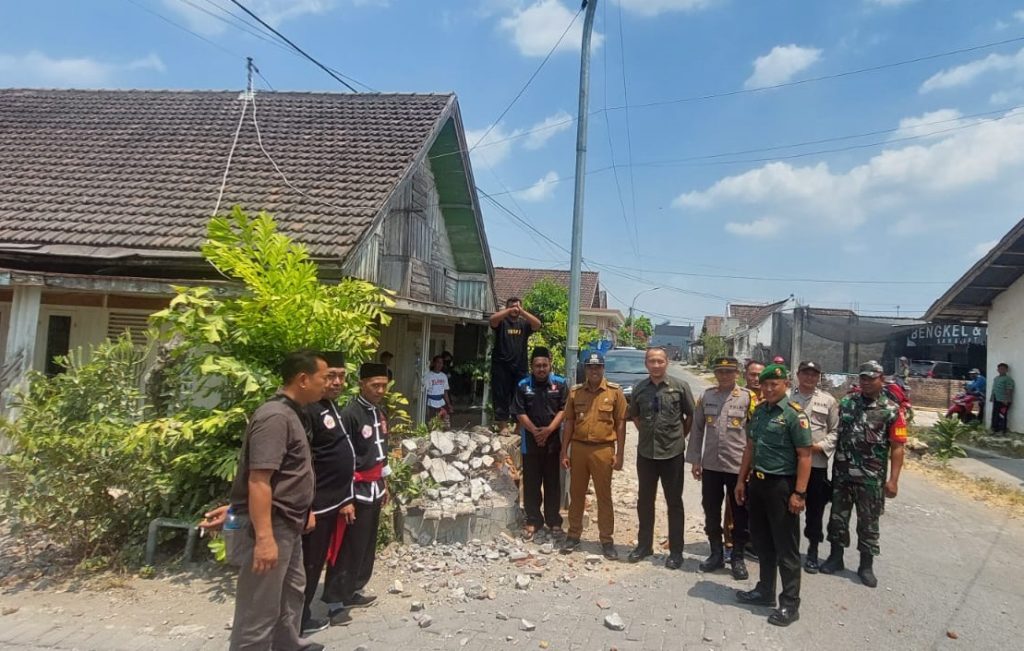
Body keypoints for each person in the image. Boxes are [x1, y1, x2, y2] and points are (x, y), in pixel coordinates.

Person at [227, 350, 329, 651]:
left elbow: (287, 474)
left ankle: (288, 644)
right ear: (303, 379)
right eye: (323, 377)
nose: (327, 384)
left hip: (290, 523)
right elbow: (258, 480)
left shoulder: (293, 413)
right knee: (259, 606)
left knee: (292, 591)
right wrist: (264, 538)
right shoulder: (274, 417)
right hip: (273, 524)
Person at [735, 363, 812, 627]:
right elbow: (750, 447)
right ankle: (764, 591)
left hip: (783, 487)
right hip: (757, 484)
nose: (768, 388)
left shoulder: (794, 415)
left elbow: (805, 456)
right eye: (765, 384)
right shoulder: (759, 412)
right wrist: (741, 480)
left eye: (774, 384)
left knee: (786, 549)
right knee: (762, 542)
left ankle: (790, 604)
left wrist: (799, 493)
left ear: (785, 385)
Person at [820, 361, 906, 588]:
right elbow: (834, 435)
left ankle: (865, 566)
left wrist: (893, 481)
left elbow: (897, 447)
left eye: (871, 378)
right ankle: (835, 557)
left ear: (882, 379)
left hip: (871, 479)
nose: (866, 382)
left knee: (868, 524)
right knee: (838, 519)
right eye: (863, 378)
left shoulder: (892, 410)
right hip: (843, 475)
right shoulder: (847, 403)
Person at [321, 362, 391, 624]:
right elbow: (343, 459)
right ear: (362, 384)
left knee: (365, 544)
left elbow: (381, 452)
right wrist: (345, 498)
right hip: (355, 490)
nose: (380, 390)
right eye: (375, 385)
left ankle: (354, 589)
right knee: (347, 546)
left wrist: (386, 486)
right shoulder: (350, 413)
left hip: (374, 487)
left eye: (384, 385)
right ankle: (335, 601)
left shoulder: (379, 412)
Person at [300, 352, 357, 636]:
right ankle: (297, 619)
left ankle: (302, 614)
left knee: (321, 559)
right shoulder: (308, 410)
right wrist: (307, 506)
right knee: (308, 565)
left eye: (341, 377)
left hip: (335, 501)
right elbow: (305, 460)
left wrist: (346, 498)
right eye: (330, 376)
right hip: (317, 505)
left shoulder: (332, 406)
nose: (336, 382)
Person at [687, 356, 756, 580]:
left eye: (729, 371)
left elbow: (755, 434)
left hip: (738, 467)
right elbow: (697, 430)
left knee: (740, 513)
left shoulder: (748, 398)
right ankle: (716, 553)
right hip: (711, 465)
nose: (724, 375)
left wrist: (752, 466)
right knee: (711, 509)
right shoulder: (706, 396)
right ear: (715, 373)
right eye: (720, 371)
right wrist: (696, 460)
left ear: (737, 374)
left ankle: (737, 557)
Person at [628, 347, 694, 569]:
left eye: (660, 361)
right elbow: (634, 416)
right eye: (651, 361)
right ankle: (644, 545)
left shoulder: (680, 387)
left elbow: (690, 416)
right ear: (646, 364)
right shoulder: (639, 388)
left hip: (672, 453)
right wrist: (647, 434)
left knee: (674, 502)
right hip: (646, 453)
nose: (656, 365)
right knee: (644, 501)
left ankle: (676, 551)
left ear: (667, 362)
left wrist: (679, 438)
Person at [559, 351, 627, 560]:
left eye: (597, 367)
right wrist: (564, 450)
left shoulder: (615, 392)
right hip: (579, 448)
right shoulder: (575, 392)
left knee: (603, 495)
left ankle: (606, 540)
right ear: (585, 369)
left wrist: (620, 453)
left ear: (603, 368)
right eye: (590, 367)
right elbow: (569, 422)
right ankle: (573, 535)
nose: (594, 370)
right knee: (576, 493)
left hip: (603, 449)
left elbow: (621, 423)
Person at [511, 346, 568, 540]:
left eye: (544, 365)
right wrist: (535, 431)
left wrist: (550, 429)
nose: (541, 369)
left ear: (550, 364)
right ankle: (534, 520)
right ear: (532, 367)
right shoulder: (522, 385)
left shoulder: (560, 384)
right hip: (531, 442)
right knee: (532, 483)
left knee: (553, 483)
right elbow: (519, 412)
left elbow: (563, 409)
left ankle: (554, 521)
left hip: (553, 443)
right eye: (537, 366)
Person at [789, 361, 838, 573]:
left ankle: (813, 550)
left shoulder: (828, 401)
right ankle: (788, 550)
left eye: (814, 374)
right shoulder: (788, 399)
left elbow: (836, 431)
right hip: (791, 464)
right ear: (798, 375)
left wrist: (819, 447)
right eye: (805, 373)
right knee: (789, 508)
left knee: (815, 511)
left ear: (819, 377)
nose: (809, 377)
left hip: (817, 465)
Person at [489, 297, 542, 425]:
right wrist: (508, 311)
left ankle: (518, 426)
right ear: (507, 308)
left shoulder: (523, 324)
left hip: (520, 366)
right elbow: (492, 320)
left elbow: (537, 324)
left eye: (517, 306)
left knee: (520, 396)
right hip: (501, 366)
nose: (515, 309)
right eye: (512, 306)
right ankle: (503, 426)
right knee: (501, 396)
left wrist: (522, 312)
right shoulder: (502, 323)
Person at [424, 355, 452, 427]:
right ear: (434, 363)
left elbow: (445, 392)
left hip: (441, 402)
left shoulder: (444, 376)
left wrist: (448, 404)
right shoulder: (428, 375)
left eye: (441, 363)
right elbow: (425, 391)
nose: (440, 365)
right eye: (438, 362)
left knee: (442, 423)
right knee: (431, 422)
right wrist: (425, 405)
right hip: (431, 402)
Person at [991, 363, 1014, 433]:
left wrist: (1006, 399)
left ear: (1006, 370)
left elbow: (1009, 389)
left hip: (1004, 400)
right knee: (995, 414)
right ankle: (995, 429)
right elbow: (994, 389)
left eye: (1003, 369)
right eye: (1000, 369)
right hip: (996, 398)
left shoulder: (1008, 379)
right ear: (997, 370)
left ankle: (1002, 430)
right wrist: (992, 397)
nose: (1001, 370)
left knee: (1002, 415)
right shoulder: (996, 378)